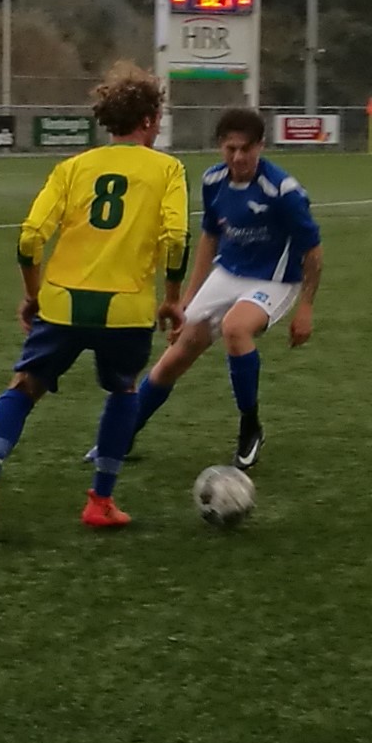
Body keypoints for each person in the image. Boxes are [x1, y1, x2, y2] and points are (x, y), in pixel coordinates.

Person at [0, 64, 191, 531]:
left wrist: (33, 295)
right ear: (147, 120)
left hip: (61, 303)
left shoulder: (73, 168)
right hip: (125, 308)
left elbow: (28, 238)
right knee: (123, 390)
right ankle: (99, 500)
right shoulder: (168, 170)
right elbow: (178, 238)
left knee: (24, 386)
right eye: (158, 116)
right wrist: (172, 298)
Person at [115, 108, 321, 471]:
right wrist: (187, 301)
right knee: (179, 351)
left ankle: (250, 427)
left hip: (274, 279)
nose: (238, 157)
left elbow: (312, 251)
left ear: (261, 146)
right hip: (228, 273)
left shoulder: (283, 190)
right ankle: (126, 432)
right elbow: (210, 237)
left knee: (235, 328)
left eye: (246, 149)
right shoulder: (213, 181)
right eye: (230, 149)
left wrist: (306, 306)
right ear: (220, 148)